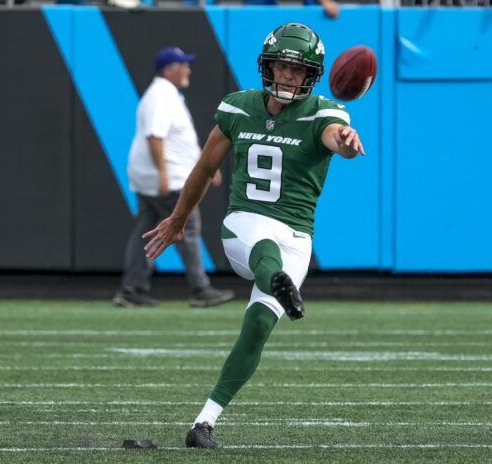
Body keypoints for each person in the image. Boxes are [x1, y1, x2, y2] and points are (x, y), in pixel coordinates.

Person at [143, 23, 365, 447]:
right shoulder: (239, 108)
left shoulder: (324, 112)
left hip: (297, 236)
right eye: (282, 66)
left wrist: (349, 143)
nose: (288, 76)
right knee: (267, 256)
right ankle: (277, 282)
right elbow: (205, 168)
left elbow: (337, 138)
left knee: (259, 325)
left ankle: (204, 424)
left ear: (311, 76)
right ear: (268, 66)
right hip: (245, 223)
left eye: (298, 71)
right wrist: (177, 219)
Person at [113, 47, 234, 309]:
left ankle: (132, 288)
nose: (188, 69)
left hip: (160, 174)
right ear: (169, 70)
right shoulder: (161, 96)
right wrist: (163, 174)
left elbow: (178, 140)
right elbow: (155, 136)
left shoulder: (166, 94)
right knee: (187, 226)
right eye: (183, 65)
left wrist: (206, 167)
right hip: (167, 177)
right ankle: (199, 288)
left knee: (146, 231)